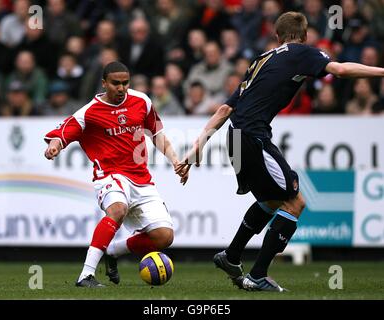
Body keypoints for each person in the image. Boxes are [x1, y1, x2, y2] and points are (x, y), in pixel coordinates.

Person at [176, 11, 384, 292]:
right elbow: (342, 70)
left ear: (276, 36)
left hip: (234, 138)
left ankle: (232, 255)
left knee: (272, 200)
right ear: (305, 35)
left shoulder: (261, 60)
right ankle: (258, 274)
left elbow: (226, 108)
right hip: (253, 136)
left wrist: (194, 149)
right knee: (295, 202)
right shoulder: (302, 52)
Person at [44, 61, 187, 287]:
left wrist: (176, 160)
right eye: (115, 83)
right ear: (104, 83)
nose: (121, 88)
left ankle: (112, 251)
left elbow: (157, 134)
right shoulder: (89, 112)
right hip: (109, 176)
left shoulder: (142, 101)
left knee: (164, 237)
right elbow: (61, 133)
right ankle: (86, 275)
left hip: (141, 179)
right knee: (118, 209)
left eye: (125, 83)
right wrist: (55, 146)